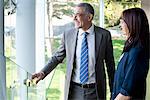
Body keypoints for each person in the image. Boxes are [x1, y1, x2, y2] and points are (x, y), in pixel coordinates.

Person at [32, 3, 115, 100]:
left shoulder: (104, 35)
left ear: (89, 17)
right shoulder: (68, 35)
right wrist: (43, 72)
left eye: (78, 14)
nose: (74, 18)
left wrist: (114, 90)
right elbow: (57, 57)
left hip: (95, 91)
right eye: (73, 14)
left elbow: (110, 65)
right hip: (74, 91)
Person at [111, 8, 149, 100]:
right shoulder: (131, 46)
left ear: (132, 24)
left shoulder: (137, 51)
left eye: (123, 22)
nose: (120, 25)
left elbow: (127, 92)